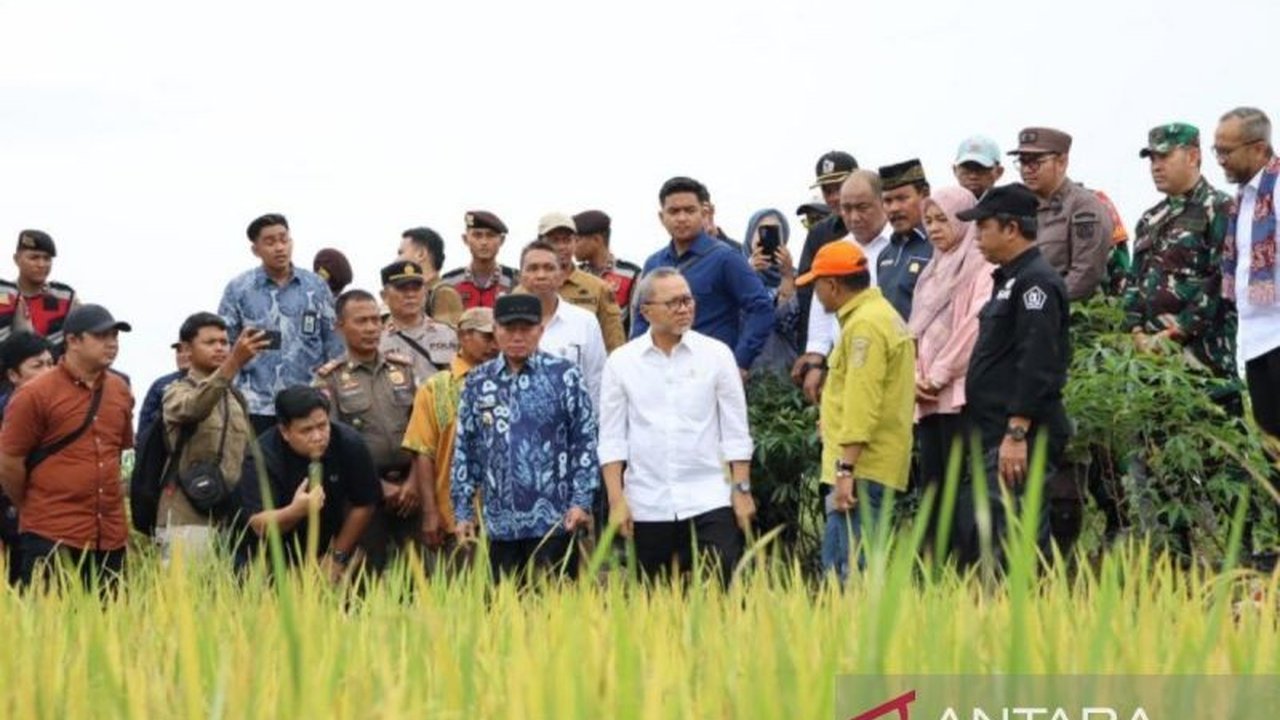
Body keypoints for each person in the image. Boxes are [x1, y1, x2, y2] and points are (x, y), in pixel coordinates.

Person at [598, 268, 756, 585]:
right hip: (648, 501)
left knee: (721, 591)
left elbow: (736, 432)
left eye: (688, 300)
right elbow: (612, 439)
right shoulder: (622, 362)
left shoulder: (717, 355)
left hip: (709, 496)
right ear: (646, 310)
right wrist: (617, 500)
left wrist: (742, 491)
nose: (684, 309)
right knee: (654, 605)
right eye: (673, 303)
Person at [954, 184, 1070, 569]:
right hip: (994, 432)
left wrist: (1017, 430)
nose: (977, 237)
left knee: (1017, 535)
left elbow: (1038, 361)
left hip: (1020, 434)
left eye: (983, 227)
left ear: (1011, 229)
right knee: (993, 533)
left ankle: (1027, 618)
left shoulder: (1035, 282)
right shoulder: (1008, 280)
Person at [451, 294, 598, 582]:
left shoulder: (565, 375)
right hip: (498, 524)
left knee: (554, 614)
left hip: (555, 522)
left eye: (526, 329)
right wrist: (463, 511)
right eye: (509, 329)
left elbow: (585, 440)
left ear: (540, 330)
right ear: (495, 331)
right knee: (503, 615)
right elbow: (466, 449)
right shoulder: (478, 381)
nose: (517, 336)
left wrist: (582, 500)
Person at [795, 242, 915, 581]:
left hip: (861, 468)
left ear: (832, 285)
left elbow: (863, 402)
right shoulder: (879, 315)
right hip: (870, 464)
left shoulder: (865, 326)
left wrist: (845, 469)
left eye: (817, 285)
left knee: (846, 574)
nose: (816, 295)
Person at [0, 304, 135, 588]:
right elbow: (9, 461)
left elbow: (117, 453)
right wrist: (30, 504)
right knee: (49, 628)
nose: (111, 344)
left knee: (111, 627)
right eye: (101, 336)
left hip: (109, 534)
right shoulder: (34, 393)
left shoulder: (120, 389)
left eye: (115, 336)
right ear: (72, 341)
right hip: (51, 532)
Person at [316, 290, 424, 572]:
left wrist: (414, 481)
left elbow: (423, 431)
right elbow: (331, 443)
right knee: (369, 577)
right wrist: (378, 487)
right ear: (340, 326)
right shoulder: (330, 379)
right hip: (363, 495)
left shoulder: (404, 370)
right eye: (361, 321)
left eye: (376, 320)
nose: (371, 328)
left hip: (411, 489)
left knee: (421, 575)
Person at [909, 187, 991, 541]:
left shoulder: (981, 266)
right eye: (928, 221)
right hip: (926, 397)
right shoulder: (931, 271)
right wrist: (914, 375)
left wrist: (939, 373)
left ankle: (966, 568)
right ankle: (935, 570)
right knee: (933, 485)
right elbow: (913, 331)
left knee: (961, 485)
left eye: (943, 219)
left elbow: (973, 327)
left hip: (959, 394)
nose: (934, 228)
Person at [632, 176, 774, 376]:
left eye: (689, 210)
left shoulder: (726, 258)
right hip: (660, 372)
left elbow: (761, 307)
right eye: (673, 211)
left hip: (710, 372)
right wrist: (637, 361)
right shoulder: (654, 263)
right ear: (661, 216)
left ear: (704, 213)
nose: (681, 218)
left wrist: (741, 362)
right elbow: (641, 315)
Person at [218, 213, 343, 436]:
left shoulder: (316, 287)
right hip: (257, 406)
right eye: (270, 242)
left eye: (284, 239)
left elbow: (333, 343)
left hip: (309, 402)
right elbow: (224, 345)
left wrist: (330, 391)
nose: (279, 247)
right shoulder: (238, 289)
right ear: (255, 250)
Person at [236, 385, 379, 581]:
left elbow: (365, 503)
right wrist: (296, 510)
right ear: (285, 432)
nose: (318, 437)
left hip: (332, 544)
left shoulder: (348, 442)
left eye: (322, 425)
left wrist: (336, 557)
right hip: (272, 554)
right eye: (306, 430)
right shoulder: (262, 457)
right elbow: (259, 525)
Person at [157, 313, 267, 556]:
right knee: (183, 594)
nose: (220, 348)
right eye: (210, 342)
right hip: (185, 518)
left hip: (229, 519)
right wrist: (234, 363)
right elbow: (196, 406)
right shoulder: (176, 391)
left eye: (224, 342)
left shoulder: (236, 398)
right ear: (186, 349)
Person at [402, 308, 499, 557]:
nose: (495, 344)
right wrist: (430, 513)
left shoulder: (511, 381)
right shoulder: (436, 388)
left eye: (499, 335)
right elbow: (423, 452)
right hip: (457, 518)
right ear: (463, 336)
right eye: (487, 337)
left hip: (508, 517)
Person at [794, 170, 895, 403]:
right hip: (846, 363)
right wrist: (815, 357)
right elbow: (822, 308)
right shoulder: (835, 249)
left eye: (862, 207)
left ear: (882, 201)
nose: (853, 217)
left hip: (891, 359)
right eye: (846, 208)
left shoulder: (902, 246)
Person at [1215, 107, 1280, 446]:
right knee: (1272, 448)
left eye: (1227, 151)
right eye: (1217, 150)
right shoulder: (1244, 199)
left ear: (1257, 148)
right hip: (1256, 338)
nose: (1220, 160)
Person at [1010, 127, 1114, 301]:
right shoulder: (1019, 206)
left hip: (1071, 315)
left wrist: (1042, 304)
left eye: (1035, 162)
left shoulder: (1084, 206)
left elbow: (1086, 273)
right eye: (1022, 162)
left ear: (1061, 161)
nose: (1027, 170)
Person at [517, 240, 607, 409]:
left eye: (549, 268)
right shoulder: (505, 325)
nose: (541, 275)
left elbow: (596, 382)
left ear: (560, 276)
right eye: (533, 268)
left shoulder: (584, 322)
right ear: (521, 276)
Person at [519, 212, 626, 352]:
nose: (562, 246)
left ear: (575, 241)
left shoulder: (598, 288)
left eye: (567, 240)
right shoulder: (521, 292)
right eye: (554, 240)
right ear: (540, 242)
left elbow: (615, 345)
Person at [0, 332, 54, 585]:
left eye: (50, 364)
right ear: (13, 375)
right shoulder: (6, 411)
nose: (47, 371)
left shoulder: (60, 410)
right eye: (37, 365)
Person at [795, 151, 857, 352]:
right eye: (827, 190)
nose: (834, 197)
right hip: (832, 345)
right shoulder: (819, 233)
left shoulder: (884, 224)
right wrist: (811, 352)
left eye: (839, 187)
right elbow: (806, 293)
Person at [742, 209, 802, 376]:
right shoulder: (734, 273)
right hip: (746, 371)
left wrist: (787, 276)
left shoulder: (797, 277)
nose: (767, 238)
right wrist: (747, 274)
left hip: (785, 372)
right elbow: (736, 319)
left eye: (775, 231)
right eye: (762, 231)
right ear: (750, 235)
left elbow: (787, 323)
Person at [378, 260, 458, 384]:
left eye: (416, 288)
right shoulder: (376, 341)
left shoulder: (449, 334)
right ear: (384, 296)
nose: (410, 295)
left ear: (425, 291)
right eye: (402, 289)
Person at [0, 230, 80, 353]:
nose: (41, 264)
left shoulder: (65, 298)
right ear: (16, 259)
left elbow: (83, 337)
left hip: (53, 367)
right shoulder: (4, 294)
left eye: (47, 259)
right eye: (34, 258)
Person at [876, 159, 935, 321]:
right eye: (887, 201)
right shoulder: (885, 254)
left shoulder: (939, 245)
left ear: (924, 194)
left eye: (902, 199)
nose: (894, 208)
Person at [573, 210, 643, 337]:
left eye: (576, 240)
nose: (572, 246)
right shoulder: (575, 275)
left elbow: (637, 321)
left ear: (596, 240)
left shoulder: (631, 274)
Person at [440, 211, 519, 310]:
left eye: (490, 235)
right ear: (465, 239)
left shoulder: (515, 280)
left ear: (502, 240)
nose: (484, 242)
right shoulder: (449, 282)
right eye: (477, 235)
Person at [398, 227, 465, 325]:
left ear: (421, 254)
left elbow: (446, 337)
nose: (398, 259)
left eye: (401, 253)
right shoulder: (422, 293)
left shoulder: (443, 293)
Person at [138, 340, 191, 441]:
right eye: (179, 351)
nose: (183, 355)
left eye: (187, 350)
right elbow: (145, 424)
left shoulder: (217, 384)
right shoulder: (161, 384)